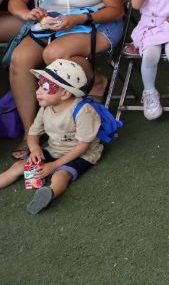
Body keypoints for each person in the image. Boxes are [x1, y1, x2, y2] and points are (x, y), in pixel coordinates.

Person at [5, 0, 124, 156]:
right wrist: (28, 13)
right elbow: (16, 2)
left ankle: (93, 84)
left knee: (55, 54)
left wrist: (79, 19)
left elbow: (116, 10)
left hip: (97, 23)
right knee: (19, 59)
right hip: (53, 25)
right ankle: (31, 132)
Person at [0, 59, 104, 215]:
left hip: (82, 154)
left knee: (61, 175)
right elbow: (33, 133)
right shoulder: (46, 108)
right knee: (19, 166)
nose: (38, 91)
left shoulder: (83, 111)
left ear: (65, 93)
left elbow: (83, 145)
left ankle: (49, 192)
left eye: (46, 87)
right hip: (55, 150)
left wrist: (54, 165)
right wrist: (35, 148)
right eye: (39, 84)